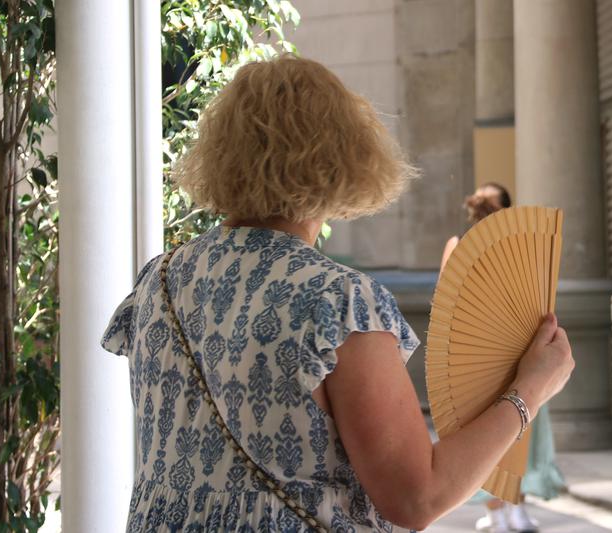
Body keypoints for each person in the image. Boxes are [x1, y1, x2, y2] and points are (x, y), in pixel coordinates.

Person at [101, 55, 574, 532]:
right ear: (342, 158)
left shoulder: (156, 283)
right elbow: (416, 497)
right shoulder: (339, 302)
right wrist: (530, 390)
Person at [441, 184, 566, 533]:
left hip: (518, 351)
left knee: (520, 432)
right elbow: (448, 301)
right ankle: (497, 511)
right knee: (490, 433)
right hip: (478, 353)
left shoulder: (519, 249)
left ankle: (515, 507)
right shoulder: (459, 247)